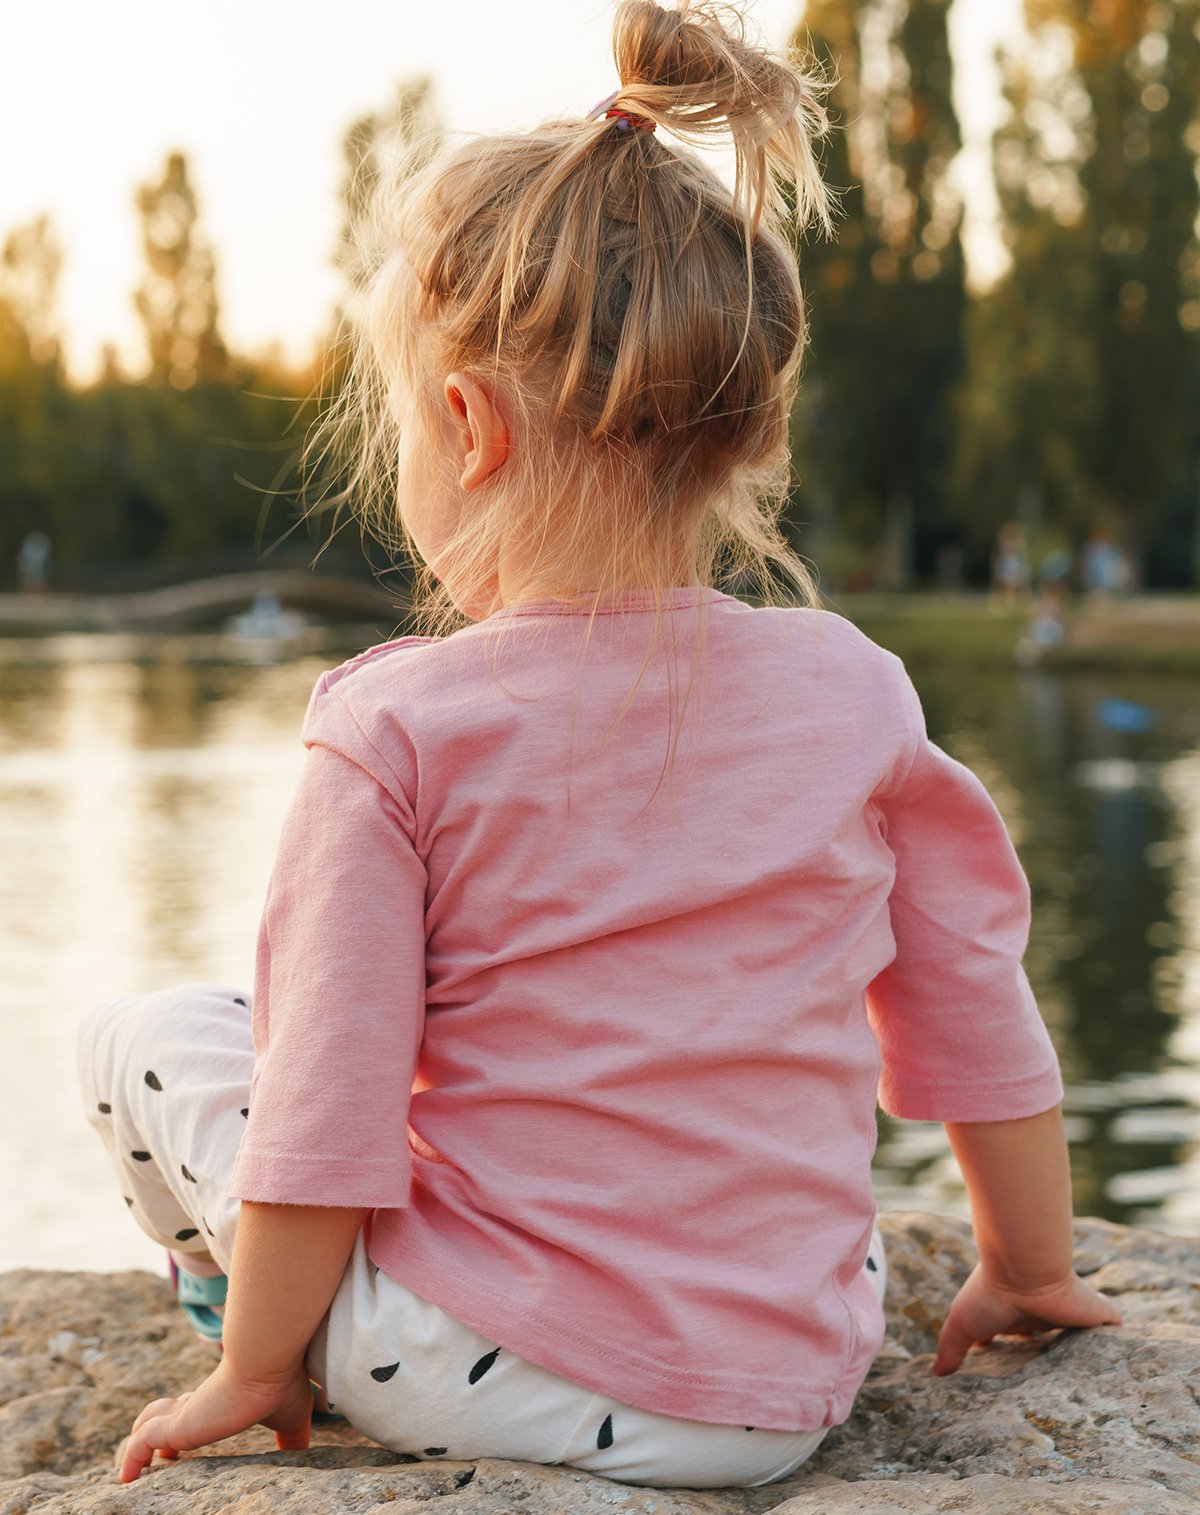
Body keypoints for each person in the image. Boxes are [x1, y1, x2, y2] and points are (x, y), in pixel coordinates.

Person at [76, 0, 1121, 1490]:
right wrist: (1025, 1265)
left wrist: (251, 1374)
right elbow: (974, 1007)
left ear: (467, 425)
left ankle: (256, 1325)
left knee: (154, 1037)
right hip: (787, 1382)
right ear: (749, 437)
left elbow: (329, 1103)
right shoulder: (855, 691)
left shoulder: (391, 728)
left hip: (484, 1374)